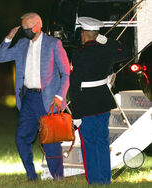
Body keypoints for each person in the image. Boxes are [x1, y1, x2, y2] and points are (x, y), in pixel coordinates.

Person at [0, 12, 70, 180]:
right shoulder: (22, 43)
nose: (24, 31)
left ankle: (58, 177)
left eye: (26, 28)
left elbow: (66, 74)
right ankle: (31, 176)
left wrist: (60, 97)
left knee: (50, 140)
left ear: (37, 26)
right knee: (21, 138)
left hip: (49, 99)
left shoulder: (53, 44)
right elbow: (0, 58)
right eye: (22, 28)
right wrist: (9, 37)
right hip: (28, 98)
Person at [69, 17, 131, 185]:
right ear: (97, 35)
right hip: (103, 102)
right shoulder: (107, 50)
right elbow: (127, 51)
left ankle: (95, 181)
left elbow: (75, 85)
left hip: (86, 105)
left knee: (89, 144)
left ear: (85, 34)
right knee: (102, 142)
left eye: (82, 33)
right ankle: (105, 180)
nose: (81, 36)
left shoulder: (79, 54)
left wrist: (76, 114)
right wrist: (108, 41)